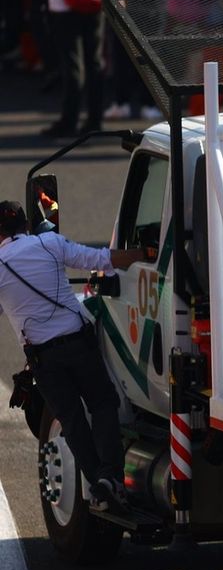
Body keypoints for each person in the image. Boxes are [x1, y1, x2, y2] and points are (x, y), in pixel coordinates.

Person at [0, 201, 147, 514]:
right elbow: (103, 260)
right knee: (103, 403)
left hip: (44, 359)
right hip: (79, 344)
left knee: (72, 420)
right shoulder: (50, 243)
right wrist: (144, 255)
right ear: (27, 225)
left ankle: (99, 485)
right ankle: (110, 476)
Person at [18, 0, 122, 138]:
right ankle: (94, 119)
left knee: (71, 62)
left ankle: (70, 119)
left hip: (63, 4)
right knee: (95, 61)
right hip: (96, 1)